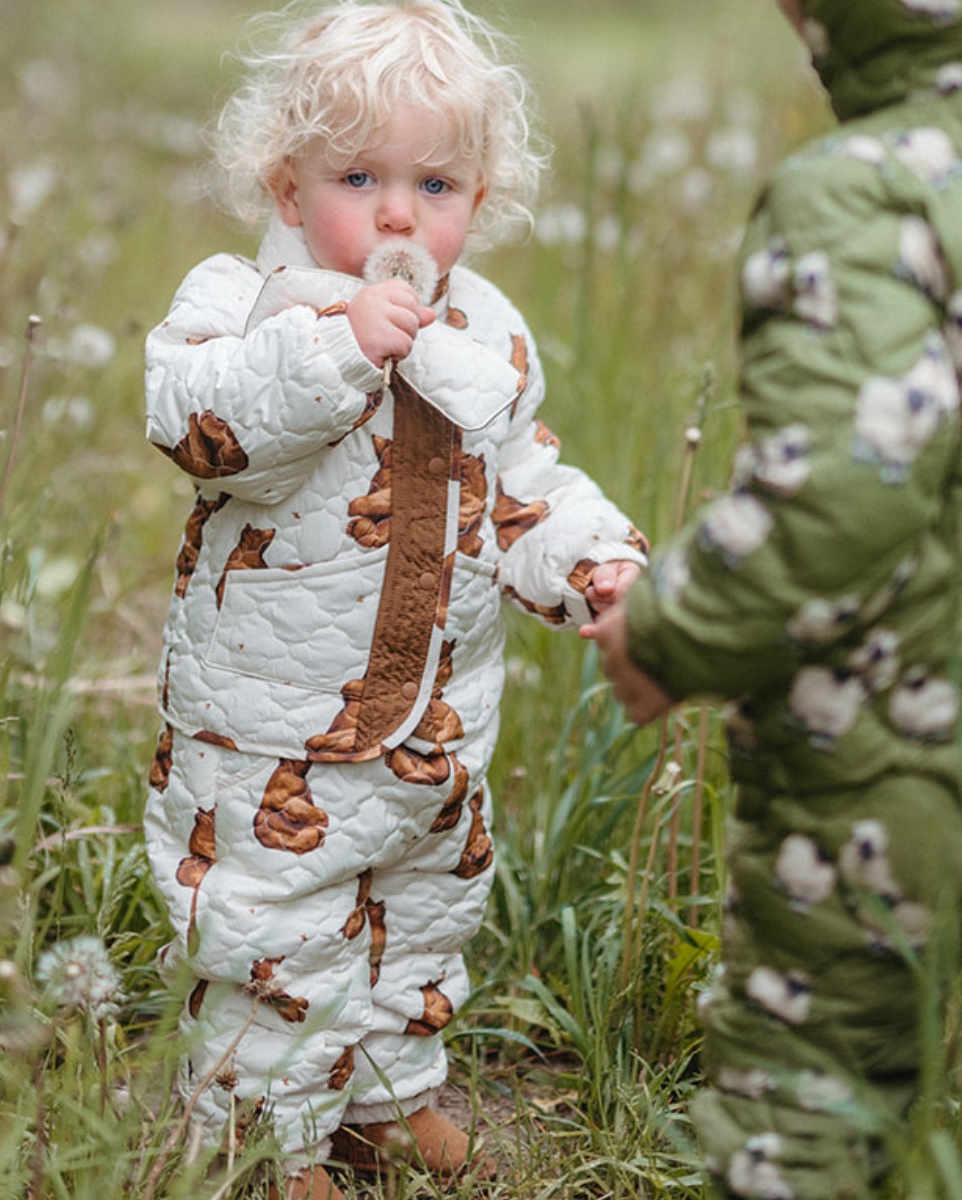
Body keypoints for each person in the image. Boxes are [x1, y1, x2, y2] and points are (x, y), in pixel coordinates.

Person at [141, 2, 647, 1196]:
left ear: (483, 197)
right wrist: (339, 347)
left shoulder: (485, 332)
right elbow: (201, 427)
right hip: (274, 731)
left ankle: (384, 1096)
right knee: (278, 929)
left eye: (438, 182)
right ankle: (268, 1141)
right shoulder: (245, 307)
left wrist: (600, 567)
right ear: (284, 184)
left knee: (425, 906)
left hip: (436, 727)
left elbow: (520, 480)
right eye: (359, 176)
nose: (400, 214)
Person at [586, 2, 962, 1196]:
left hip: (892, 762)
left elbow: (846, 489)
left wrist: (666, 628)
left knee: (814, 1089)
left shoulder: (860, 190)